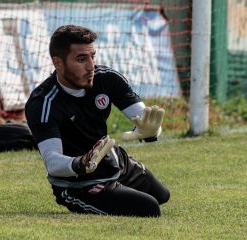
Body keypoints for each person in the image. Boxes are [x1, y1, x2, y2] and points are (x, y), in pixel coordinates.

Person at [25, 24, 170, 217]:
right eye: (81, 59)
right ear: (57, 63)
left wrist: (152, 132)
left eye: (92, 56)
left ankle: (119, 177)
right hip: (80, 183)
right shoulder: (43, 103)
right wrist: (81, 163)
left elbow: (144, 119)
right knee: (149, 207)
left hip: (114, 161)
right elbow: (52, 162)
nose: (91, 66)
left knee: (162, 195)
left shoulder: (108, 79)